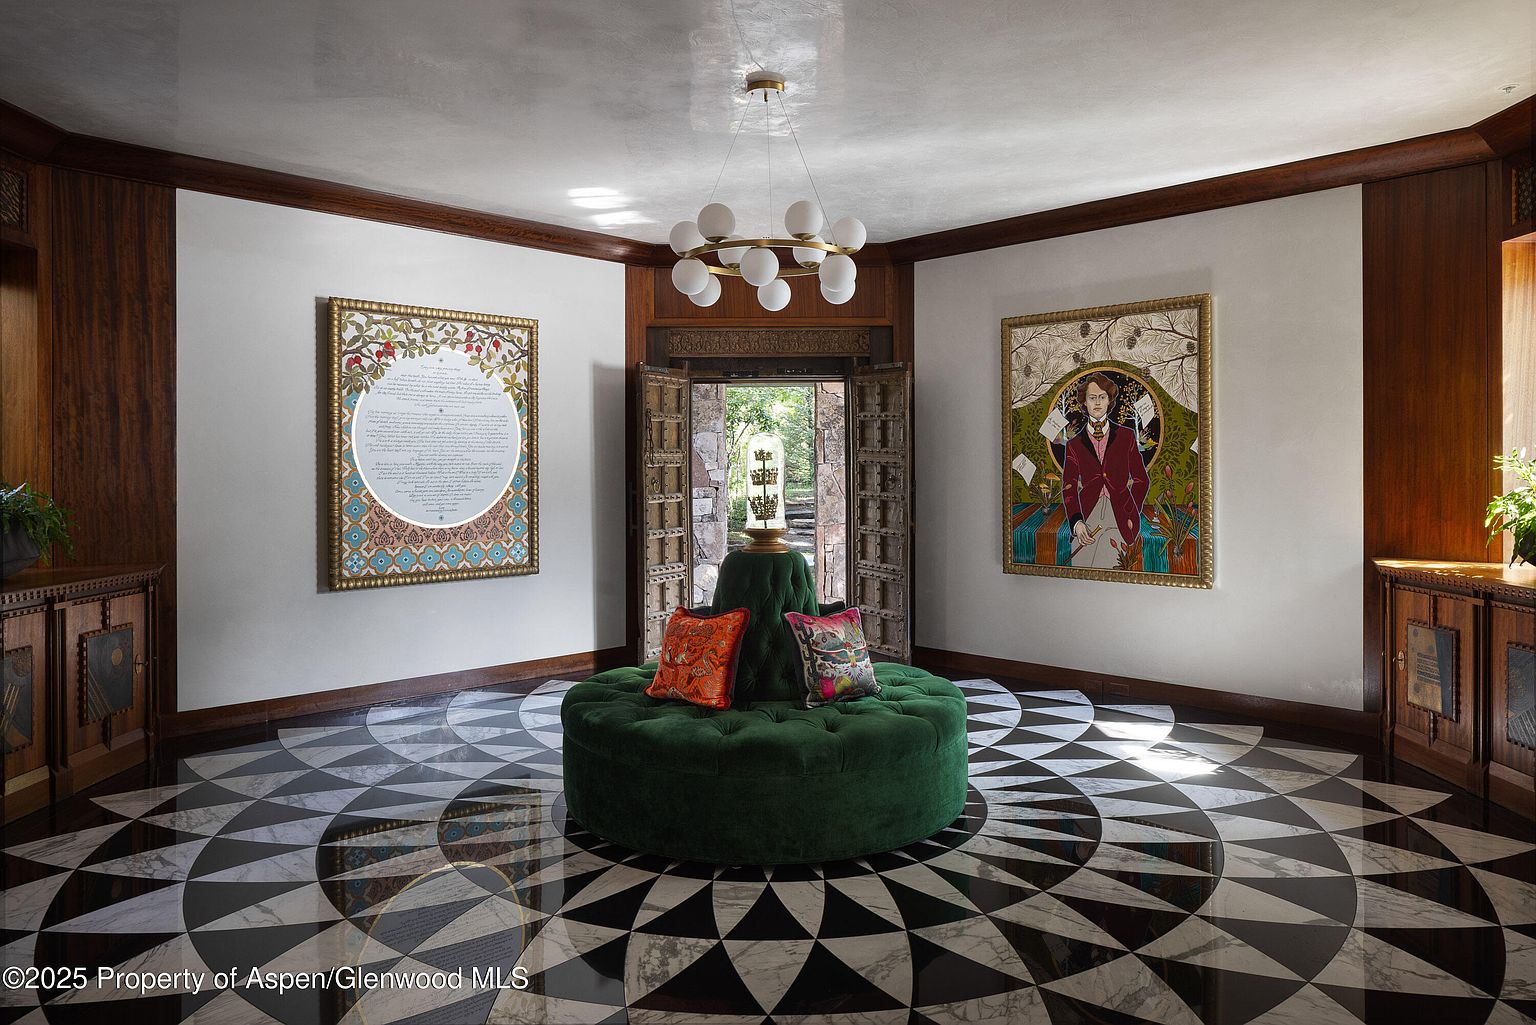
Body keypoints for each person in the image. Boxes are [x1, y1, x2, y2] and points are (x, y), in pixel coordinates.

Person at [1063, 373, 1150, 568]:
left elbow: (1141, 480)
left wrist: (1131, 509)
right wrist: (1077, 522)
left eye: (1102, 397)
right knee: (1081, 563)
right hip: (1087, 514)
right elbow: (1068, 487)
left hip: (1120, 515)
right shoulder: (1074, 444)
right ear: (1084, 402)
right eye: (1092, 398)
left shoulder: (1126, 436)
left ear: (1110, 400)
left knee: (1110, 559)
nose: (1097, 402)